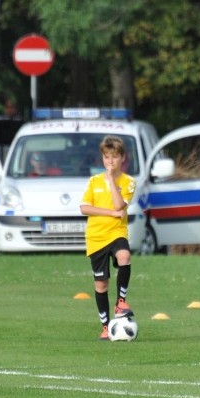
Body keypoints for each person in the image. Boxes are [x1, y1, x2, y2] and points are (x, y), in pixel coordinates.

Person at [79, 135, 136, 340]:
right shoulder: (94, 181)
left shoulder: (129, 182)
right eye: (106, 157)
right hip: (96, 237)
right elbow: (84, 207)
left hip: (116, 232)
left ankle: (121, 302)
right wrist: (111, 213)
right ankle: (105, 327)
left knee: (124, 256)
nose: (110, 161)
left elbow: (120, 205)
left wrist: (111, 180)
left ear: (122, 158)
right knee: (101, 285)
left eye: (114, 157)